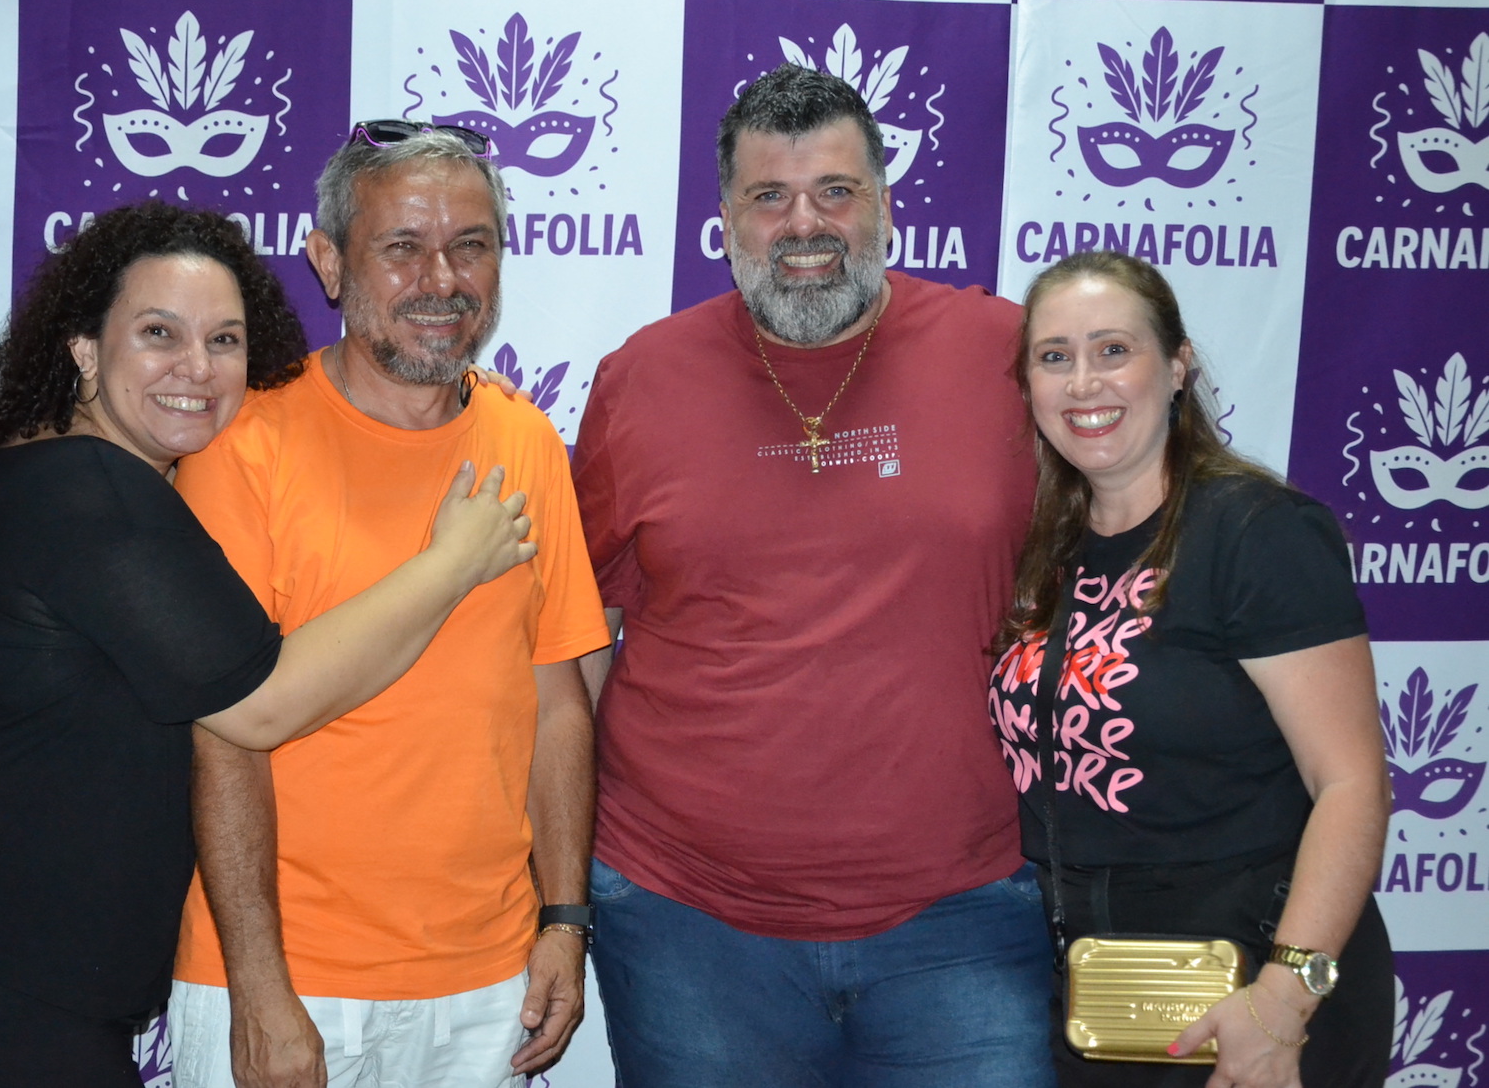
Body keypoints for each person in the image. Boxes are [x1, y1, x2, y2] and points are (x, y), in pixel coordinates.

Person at [0, 202, 535, 1087]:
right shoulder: (88, 493)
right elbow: (262, 702)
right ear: (83, 349)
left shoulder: (83, 480)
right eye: (158, 333)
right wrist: (453, 561)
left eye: (225, 340)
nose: (197, 367)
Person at [571, 64, 1054, 1086]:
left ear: (884, 203)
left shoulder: (1008, 356)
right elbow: (577, 638)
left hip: (962, 908)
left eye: (835, 190)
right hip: (684, 916)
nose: (804, 224)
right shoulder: (639, 379)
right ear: (724, 222)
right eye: (768, 196)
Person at [166, 123, 609, 1088]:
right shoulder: (243, 449)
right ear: (329, 262)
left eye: (471, 245)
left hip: (492, 987)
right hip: (294, 983)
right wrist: (259, 987)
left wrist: (565, 919)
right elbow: (222, 736)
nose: (441, 279)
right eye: (402, 246)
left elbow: (557, 703)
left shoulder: (528, 441)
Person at [988, 250, 1393, 1087]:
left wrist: (1285, 998)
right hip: (1099, 997)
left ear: (1177, 366)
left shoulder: (1257, 531)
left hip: (1256, 992)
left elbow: (1352, 783)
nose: (1083, 382)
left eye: (1114, 349)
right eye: (1054, 356)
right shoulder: (1047, 550)